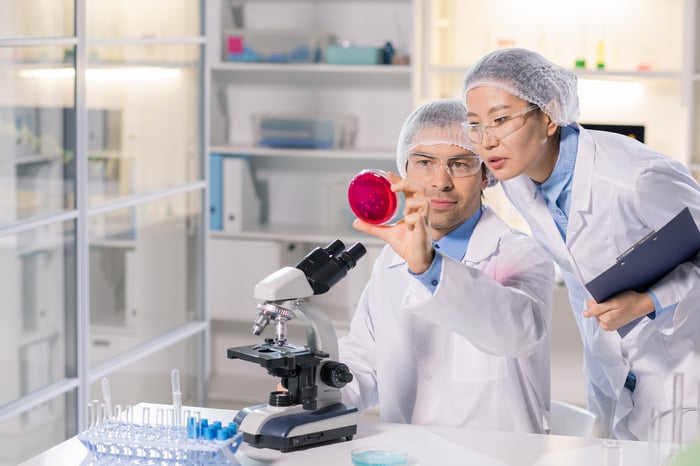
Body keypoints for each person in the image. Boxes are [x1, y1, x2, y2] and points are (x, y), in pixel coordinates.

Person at [462, 47, 700, 440]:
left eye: (501, 120)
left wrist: (649, 301)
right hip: (611, 369)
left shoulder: (636, 178)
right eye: (475, 124)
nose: (486, 141)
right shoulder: (518, 174)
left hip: (683, 368)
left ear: (550, 114)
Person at [338, 98, 554, 433]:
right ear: (404, 171)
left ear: (485, 176)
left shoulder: (520, 255)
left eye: (461, 163)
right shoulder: (392, 260)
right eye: (425, 162)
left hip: (494, 456)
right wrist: (316, 394)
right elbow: (365, 359)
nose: (441, 181)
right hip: (408, 452)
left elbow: (519, 334)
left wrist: (429, 269)